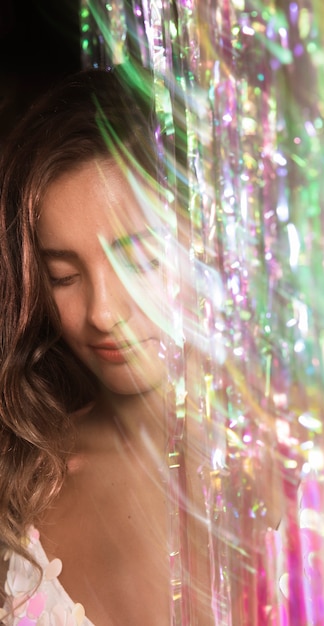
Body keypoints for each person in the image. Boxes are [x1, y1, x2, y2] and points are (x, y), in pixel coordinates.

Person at [0, 67, 282, 626]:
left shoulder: (315, 463)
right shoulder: (22, 491)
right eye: (64, 275)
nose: (103, 311)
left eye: (142, 260)